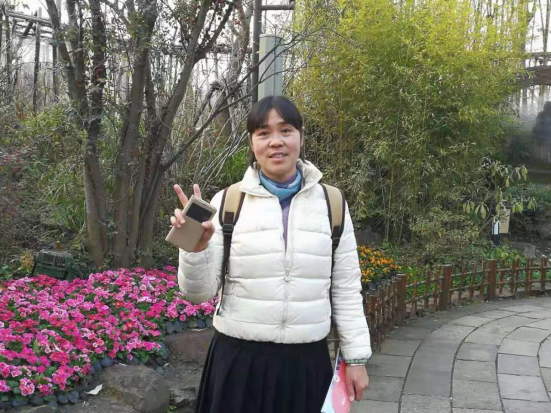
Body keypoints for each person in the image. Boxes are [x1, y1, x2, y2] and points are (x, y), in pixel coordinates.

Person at [171, 95, 371, 413]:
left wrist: (356, 359)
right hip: (239, 363)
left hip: (306, 364)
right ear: (252, 144)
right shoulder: (228, 202)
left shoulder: (332, 204)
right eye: (263, 133)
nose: (276, 141)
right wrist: (195, 249)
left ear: (300, 137)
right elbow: (198, 293)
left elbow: (346, 289)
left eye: (286, 130)